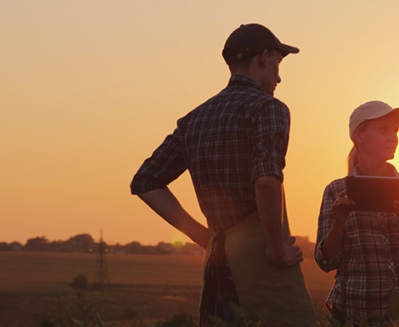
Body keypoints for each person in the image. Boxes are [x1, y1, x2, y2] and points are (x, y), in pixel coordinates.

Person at [130, 23, 316, 327]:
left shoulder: (194, 119)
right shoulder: (267, 108)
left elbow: (146, 181)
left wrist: (202, 235)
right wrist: (275, 247)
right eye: (278, 64)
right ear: (264, 57)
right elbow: (267, 180)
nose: (279, 76)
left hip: (217, 269)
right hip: (261, 268)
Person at [315, 101, 399, 326]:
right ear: (358, 136)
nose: (393, 137)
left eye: (395, 130)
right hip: (356, 313)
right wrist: (338, 223)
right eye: (384, 130)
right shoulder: (335, 191)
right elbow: (325, 261)